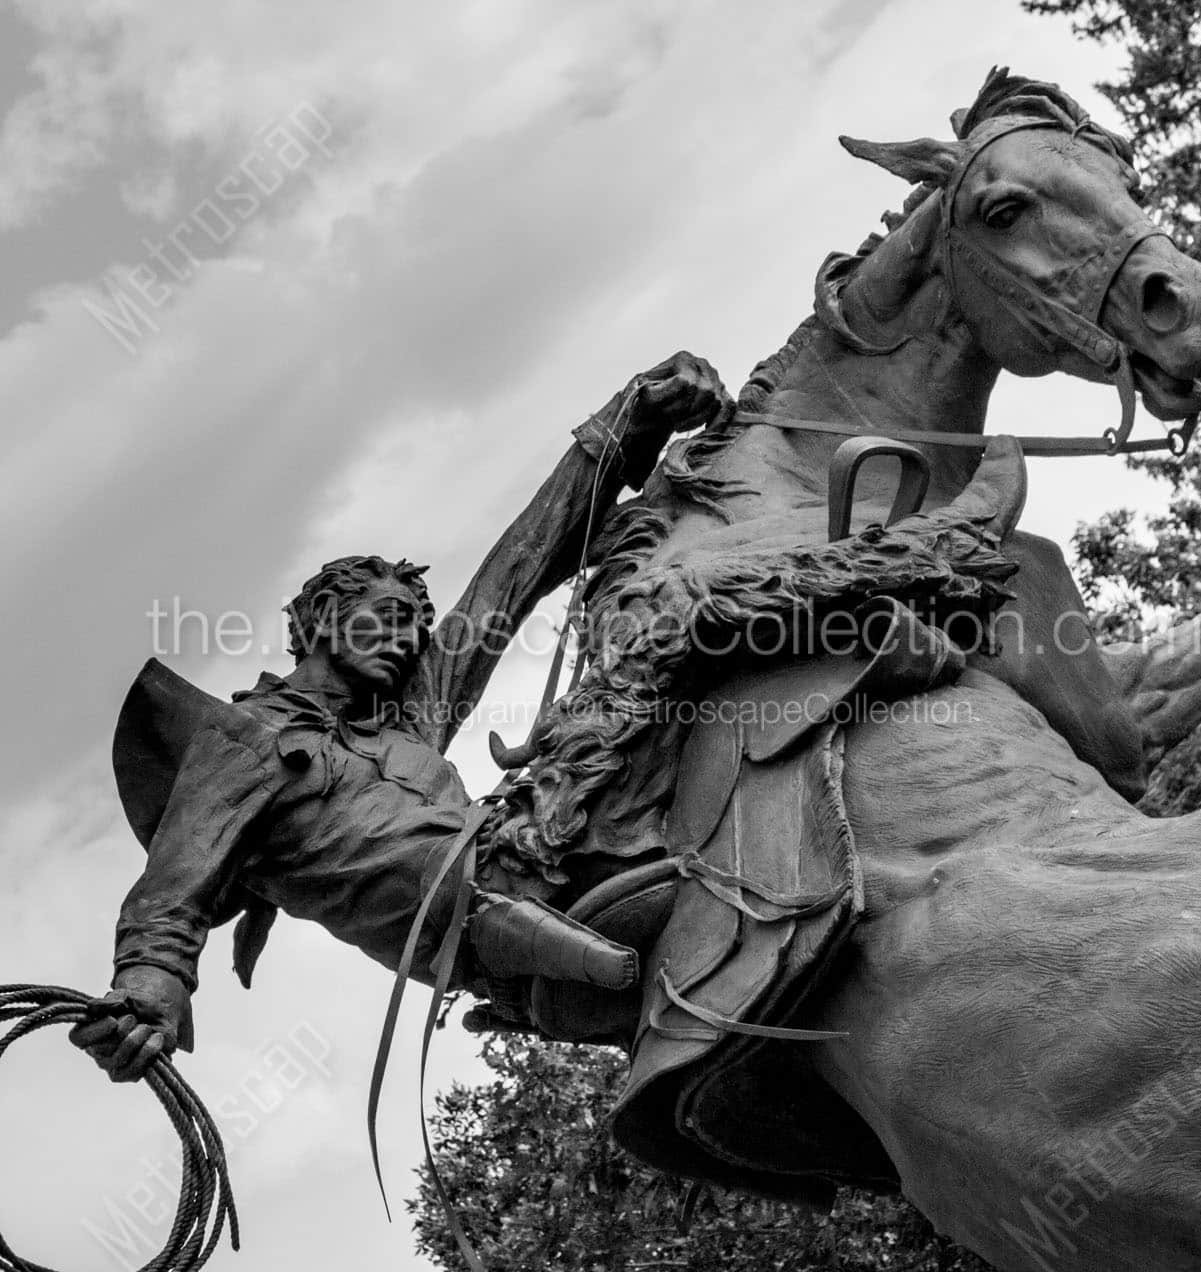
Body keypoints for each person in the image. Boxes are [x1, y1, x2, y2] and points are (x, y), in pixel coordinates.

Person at [70, 352, 731, 1082]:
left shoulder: (405, 725)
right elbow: (174, 886)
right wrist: (148, 985)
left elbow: (515, 571)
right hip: (495, 917)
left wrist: (629, 417)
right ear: (323, 616)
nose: (405, 641)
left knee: (687, 661)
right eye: (386, 619)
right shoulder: (247, 739)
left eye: (416, 629)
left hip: (543, 851)